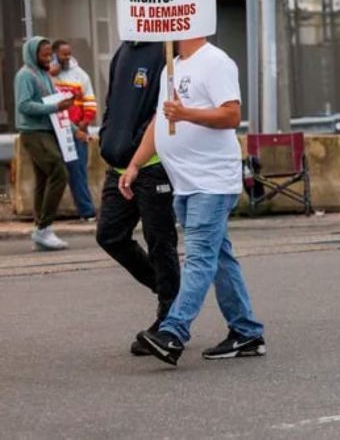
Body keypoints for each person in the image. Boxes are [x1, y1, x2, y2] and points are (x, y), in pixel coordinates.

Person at [131, 37, 265, 366]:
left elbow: (231, 114)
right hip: (186, 182)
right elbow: (159, 122)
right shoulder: (171, 68)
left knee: (200, 256)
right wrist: (135, 164)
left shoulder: (216, 61)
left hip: (212, 181)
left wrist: (187, 113)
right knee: (219, 257)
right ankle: (246, 331)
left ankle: (173, 332)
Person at [97, 41, 180, 356]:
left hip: (153, 166)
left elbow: (164, 110)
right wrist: (108, 136)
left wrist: (135, 145)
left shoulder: (166, 50)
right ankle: (169, 292)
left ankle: (170, 319)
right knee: (110, 235)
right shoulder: (122, 50)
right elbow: (113, 102)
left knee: (160, 241)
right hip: (118, 164)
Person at [15, 36, 74, 251]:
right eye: (45, 55)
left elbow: (53, 104)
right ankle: (44, 227)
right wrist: (56, 108)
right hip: (33, 132)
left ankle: (41, 229)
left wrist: (75, 131)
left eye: (51, 54)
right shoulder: (25, 76)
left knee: (43, 178)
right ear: (33, 54)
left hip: (47, 131)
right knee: (59, 171)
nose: (49, 58)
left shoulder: (44, 75)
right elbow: (24, 105)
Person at [48, 40, 98, 221]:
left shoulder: (80, 75)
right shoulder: (47, 75)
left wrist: (84, 123)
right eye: (63, 54)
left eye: (69, 54)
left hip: (77, 130)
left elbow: (90, 102)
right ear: (54, 54)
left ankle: (87, 211)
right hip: (53, 130)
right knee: (54, 173)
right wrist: (50, 74)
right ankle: (47, 215)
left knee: (78, 171)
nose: (67, 58)